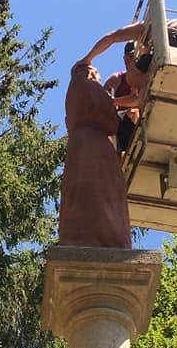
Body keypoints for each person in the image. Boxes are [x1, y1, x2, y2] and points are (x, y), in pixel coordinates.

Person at [58, 24, 146, 248]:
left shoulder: (149, 72)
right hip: (113, 133)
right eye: (129, 61)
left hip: (125, 124)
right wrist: (87, 62)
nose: (130, 64)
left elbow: (137, 100)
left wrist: (115, 105)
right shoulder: (116, 79)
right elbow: (113, 37)